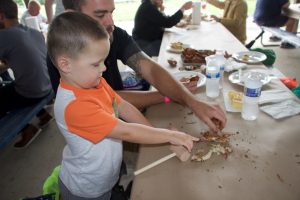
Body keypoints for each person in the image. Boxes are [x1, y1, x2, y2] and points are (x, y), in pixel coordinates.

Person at [48, 11, 199, 199]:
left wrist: (163, 137)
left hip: (105, 177)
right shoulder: (75, 106)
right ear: (65, 64)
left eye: (104, 61)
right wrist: (170, 135)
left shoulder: (95, 81)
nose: (104, 68)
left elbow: (124, 107)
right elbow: (126, 131)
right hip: (86, 190)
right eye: (96, 64)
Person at [48, 0, 227, 133]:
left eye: (111, 12)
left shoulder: (115, 34)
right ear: (72, 15)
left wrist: (193, 102)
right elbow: (106, 100)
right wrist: (164, 96)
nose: (110, 22)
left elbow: (150, 68)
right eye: (100, 15)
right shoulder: (63, 55)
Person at [0, 0, 53, 148]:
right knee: (12, 85)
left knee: (8, 91)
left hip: (31, 93)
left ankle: (26, 129)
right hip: (47, 88)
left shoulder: (5, 35)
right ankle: (43, 114)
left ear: (1, 16)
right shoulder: (34, 32)